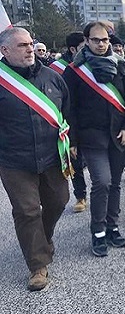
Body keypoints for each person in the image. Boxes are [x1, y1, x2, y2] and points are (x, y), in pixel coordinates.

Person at [63, 21, 125, 257]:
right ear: (86, 41)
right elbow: (70, 109)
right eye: (96, 40)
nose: (101, 44)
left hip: (119, 136)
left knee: (115, 184)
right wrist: (73, 140)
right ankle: (97, 231)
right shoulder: (75, 71)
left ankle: (112, 226)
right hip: (91, 137)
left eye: (105, 39)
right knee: (102, 181)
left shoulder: (122, 66)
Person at [0, 27, 70, 291]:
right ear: (4, 50)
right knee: (27, 210)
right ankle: (37, 264)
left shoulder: (53, 77)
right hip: (14, 161)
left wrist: (71, 146)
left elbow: (67, 111)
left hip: (53, 156)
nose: (30, 49)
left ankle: (41, 238)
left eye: (30, 43)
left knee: (59, 201)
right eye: (22, 45)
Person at [51, 32, 90, 211]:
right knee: (75, 159)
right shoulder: (56, 68)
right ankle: (80, 196)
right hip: (69, 120)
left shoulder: (92, 63)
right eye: (84, 46)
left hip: (91, 120)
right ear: (73, 49)